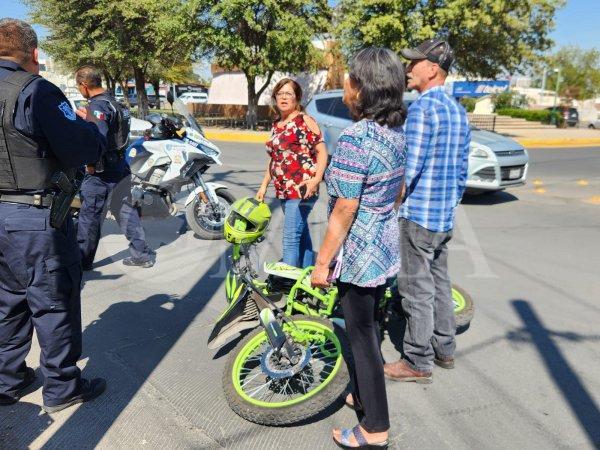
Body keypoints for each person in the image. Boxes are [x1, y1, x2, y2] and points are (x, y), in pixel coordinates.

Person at [0, 18, 107, 412]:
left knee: (7, 301)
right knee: (53, 302)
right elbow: (83, 150)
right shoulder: (36, 90)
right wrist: (90, 129)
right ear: (34, 54)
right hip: (33, 216)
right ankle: (62, 388)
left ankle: (7, 379)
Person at [311, 47, 407, 448]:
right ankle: (363, 397)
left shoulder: (356, 138)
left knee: (362, 337)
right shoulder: (394, 133)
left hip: (359, 254)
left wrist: (322, 263)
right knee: (367, 328)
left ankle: (375, 428)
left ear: (362, 88)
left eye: (350, 77)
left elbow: (344, 210)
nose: (345, 84)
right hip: (383, 246)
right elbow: (398, 192)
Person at [384, 39, 471, 383]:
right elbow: (462, 169)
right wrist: (449, 204)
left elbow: (410, 167)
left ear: (432, 69)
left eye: (414, 63)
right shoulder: (457, 110)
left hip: (419, 215)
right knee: (439, 282)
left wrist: (390, 205)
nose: (408, 69)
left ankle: (417, 361)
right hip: (443, 215)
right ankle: (444, 349)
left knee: (415, 287)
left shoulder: (422, 109)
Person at [74, 66, 154, 269]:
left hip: (101, 172)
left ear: (84, 85)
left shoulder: (97, 107)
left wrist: (91, 164)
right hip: (119, 165)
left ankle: (82, 261)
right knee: (126, 212)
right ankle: (141, 255)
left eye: (78, 86)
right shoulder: (115, 103)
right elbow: (114, 132)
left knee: (90, 217)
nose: (79, 90)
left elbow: (97, 139)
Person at [256, 78, 327, 268]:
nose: (284, 97)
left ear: (297, 98)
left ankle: (288, 282)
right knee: (300, 233)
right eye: (280, 94)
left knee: (290, 236)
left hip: (302, 188)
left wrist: (315, 180)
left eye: (289, 94)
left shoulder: (305, 121)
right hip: (283, 190)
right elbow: (275, 158)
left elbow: (322, 152)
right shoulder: (277, 123)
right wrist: (264, 185)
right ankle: (307, 275)